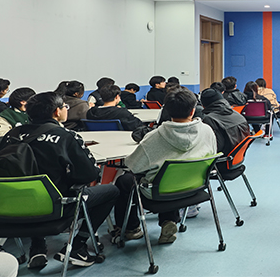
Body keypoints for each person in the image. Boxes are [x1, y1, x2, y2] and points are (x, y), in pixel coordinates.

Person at [15, 92, 119, 269]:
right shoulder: (65, 137)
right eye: (65, 106)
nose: (66, 109)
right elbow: (89, 175)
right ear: (57, 112)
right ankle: (77, 246)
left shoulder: (10, 136)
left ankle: (37, 246)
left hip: (11, 208)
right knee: (111, 191)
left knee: (31, 185)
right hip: (57, 207)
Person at [112, 87, 216, 245]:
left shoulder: (154, 137)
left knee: (126, 181)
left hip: (160, 192)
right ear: (193, 111)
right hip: (195, 186)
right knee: (174, 171)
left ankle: (131, 228)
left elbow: (133, 166)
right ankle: (169, 220)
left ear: (166, 110)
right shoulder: (207, 131)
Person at [200, 88, 250, 156]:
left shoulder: (209, 119)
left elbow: (216, 147)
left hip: (223, 158)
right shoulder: (238, 115)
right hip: (238, 156)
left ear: (203, 106)